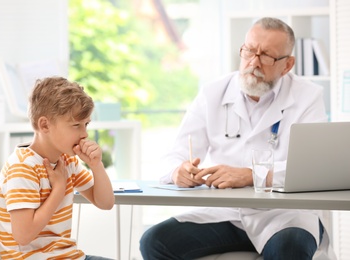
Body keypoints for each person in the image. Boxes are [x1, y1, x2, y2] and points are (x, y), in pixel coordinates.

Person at [140, 17, 336, 260]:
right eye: (249, 51)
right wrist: (177, 171)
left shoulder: (307, 96)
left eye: (266, 55)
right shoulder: (212, 92)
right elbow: (173, 155)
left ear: (287, 65)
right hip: (225, 213)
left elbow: (311, 168)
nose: (253, 62)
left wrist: (251, 175)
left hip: (285, 215)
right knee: (155, 241)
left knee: (289, 249)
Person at [0, 77, 115, 260]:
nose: (84, 134)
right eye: (76, 125)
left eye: (86, 124)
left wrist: (96, 165)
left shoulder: (67, 160)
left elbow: (105, 203)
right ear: (44, 125)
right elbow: (23, 236)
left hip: (67, 256)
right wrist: (58, 190)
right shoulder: (22, 168)